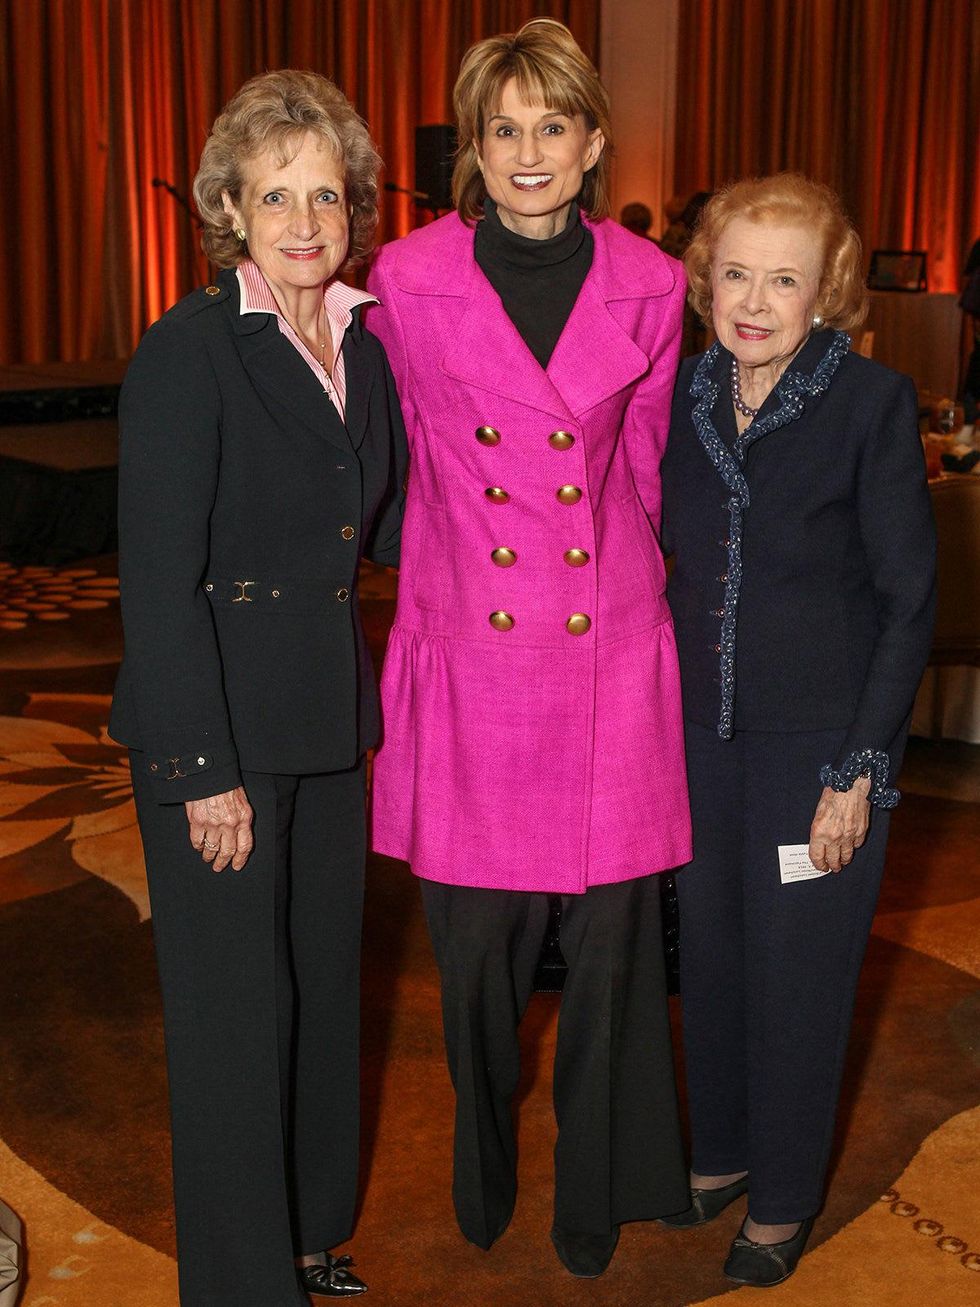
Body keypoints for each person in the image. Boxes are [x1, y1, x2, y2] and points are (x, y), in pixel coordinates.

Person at [366, 18, 691, 1279]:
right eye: (503, 130)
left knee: (613, 958)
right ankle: (480, 1155)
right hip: (474, 660)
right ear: (472, 151)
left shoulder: (650, 285)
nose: (528, 151)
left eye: (551, 125)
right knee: (475, 961)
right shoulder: (405, 278)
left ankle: (593, 1184)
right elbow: (384, 449)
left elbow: (648, 468)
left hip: (608, 657)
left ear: (593, 140)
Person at [110, 69, 406, 1305]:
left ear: (352, 211)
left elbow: (376, 526)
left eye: (323, 195)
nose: (300, 221)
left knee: (320, 990)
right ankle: (239, 1283)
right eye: (272, 194)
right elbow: (157, 582)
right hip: (221, 734)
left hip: (328, 726)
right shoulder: (189, 350)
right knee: (234, 1020)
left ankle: (307, 1231)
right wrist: (200, 768)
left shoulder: (364, 344)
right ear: (227, 205)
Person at [659, 173, 936, 1287]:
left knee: (797, 973)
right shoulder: (678, 393)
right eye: (735, 273)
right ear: (702, 280)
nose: (755, 300)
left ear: (825, 291)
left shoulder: (869, 402)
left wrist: (856, 770)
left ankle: (779, 1196)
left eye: (783, 278)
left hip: (817, 752)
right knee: (712, 962)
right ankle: (719, 1153)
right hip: (697, 744)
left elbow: (907, 600)